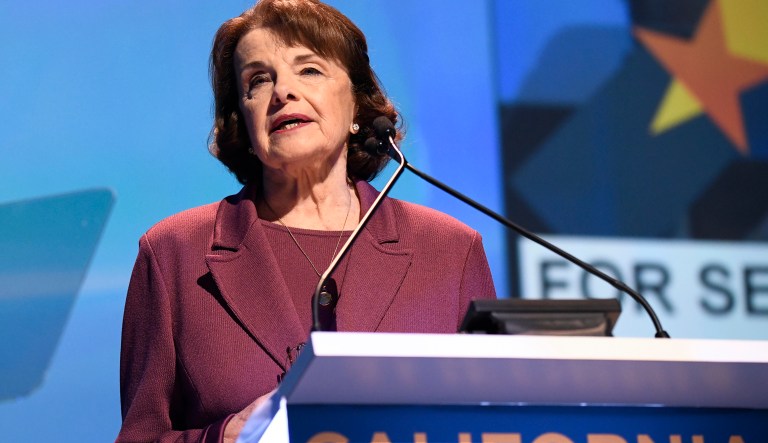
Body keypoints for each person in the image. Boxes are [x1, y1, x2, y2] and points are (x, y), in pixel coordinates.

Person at [116, 0, 496, 441]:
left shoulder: (450, 250)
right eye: (258, 80)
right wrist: (222, 438)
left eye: (309, 70)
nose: (282, 92)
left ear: (357, 106)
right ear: (243, 117)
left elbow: (493, 425)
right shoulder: (174, 254)